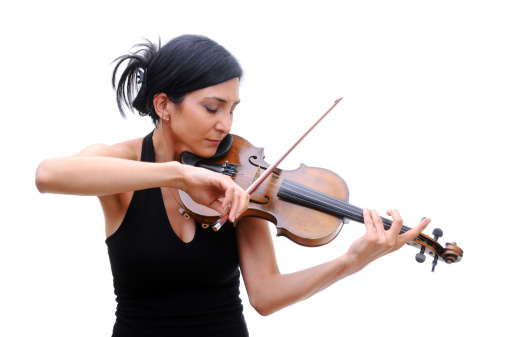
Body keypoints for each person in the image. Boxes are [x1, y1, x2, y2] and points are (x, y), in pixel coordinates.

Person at [35, 34, 430, 337]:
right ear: (163, 106)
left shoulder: (240, 175)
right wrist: (179, 174)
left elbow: (266, 295)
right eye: (212, 107)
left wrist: (351, 261)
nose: (226, 124)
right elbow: (49, 176)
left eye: (231, 109)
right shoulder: (120, 163)